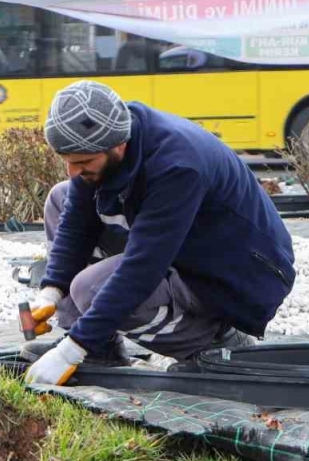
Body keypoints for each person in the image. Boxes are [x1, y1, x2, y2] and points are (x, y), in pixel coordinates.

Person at [23, 80, 295, 386]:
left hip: (241, 272)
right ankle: (99, 349)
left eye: (83, 162)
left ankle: (215, 343)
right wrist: (52, 290)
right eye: (68, 161)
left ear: (119, 145)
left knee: (92, 288)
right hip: (186, 246)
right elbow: (77, 218)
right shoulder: (116, 134)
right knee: (61, 198)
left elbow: (141, 270)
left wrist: (71, 353)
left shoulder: (177, 166)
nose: (73, 171)